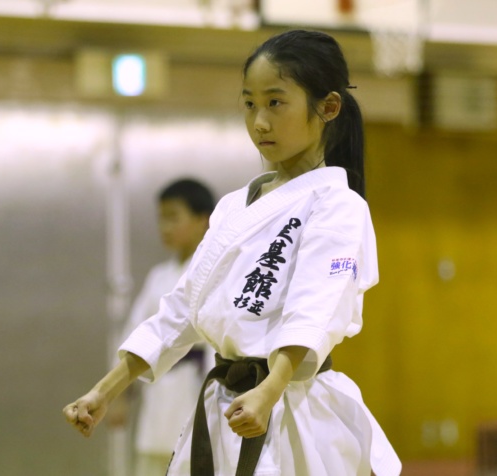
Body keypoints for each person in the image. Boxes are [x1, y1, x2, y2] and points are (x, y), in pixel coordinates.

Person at [64, 29, 402, 475]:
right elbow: (181, 308)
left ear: (329, 107)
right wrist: (104, 391)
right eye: (249, 104)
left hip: (290, 404)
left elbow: (314, 309)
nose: (259, 121)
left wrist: (270, 389)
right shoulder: (233, 206)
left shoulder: (338, 205)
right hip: (223, 403)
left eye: (275, 103)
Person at [121, 178, 215, 474]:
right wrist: (120, 395)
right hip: (158, 394)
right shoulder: (158, 276)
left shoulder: (217, 271)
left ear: (203, 220)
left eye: (174, 217)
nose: (165, 227)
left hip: (200, 390)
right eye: (161, 218)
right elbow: (133, 337)